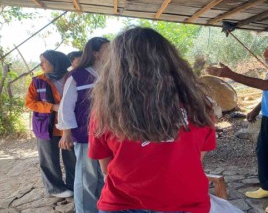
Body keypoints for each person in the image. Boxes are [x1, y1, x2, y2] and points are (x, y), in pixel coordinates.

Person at [88, 27, 216, 213]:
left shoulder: (105, 111)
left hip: (122, 204)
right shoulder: (199, 105)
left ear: (116, 66)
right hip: (185, 203)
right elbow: (197, 156)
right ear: (171, 59)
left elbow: (106, 168)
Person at [206, 40, 268, 213]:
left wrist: (231, 74)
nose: (266, 54)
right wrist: (256, 108)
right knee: (263, 153)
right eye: (266, 50)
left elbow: (266, 85)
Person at [58, 37, 110, 213]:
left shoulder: (111, 73)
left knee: (105, 175)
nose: (111, 53)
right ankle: (85, 210)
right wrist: (66, 133)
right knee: (87, 176)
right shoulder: (77, 76)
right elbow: (66, 106)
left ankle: (103, 207)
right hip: (85, 133)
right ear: (95, 53)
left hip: (110, 133)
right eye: (106, 49)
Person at [25, 50, 76, 198]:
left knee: (72, 157)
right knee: (48, 158)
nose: (41, 65)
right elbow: (30, 103)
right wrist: (51, 107)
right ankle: (55, 188)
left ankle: (73, 185)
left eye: (44, 61)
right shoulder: (38, 81)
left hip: (69, 125)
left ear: (56, 62)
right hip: (46, 126)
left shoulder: (71, 78)